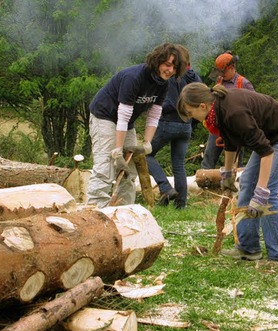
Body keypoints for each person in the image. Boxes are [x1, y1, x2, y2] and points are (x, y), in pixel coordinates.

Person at [177, 83, 278, 267]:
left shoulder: (233, 112)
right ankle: (248, 248)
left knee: (268, 190)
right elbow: (231, 142)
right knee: (246, 181)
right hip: (270, 137)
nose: (193, 118)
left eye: (191, 113)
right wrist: (228, 173)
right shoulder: (218, 111)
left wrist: (261, 193)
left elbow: (266, 152)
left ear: (203, 106)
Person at [86, 43, 188, 208]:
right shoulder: (133, 77)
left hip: (127, 122)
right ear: (157, 61)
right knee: (105, 164)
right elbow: (123, 114)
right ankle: (95, 210)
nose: (170, 70)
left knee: (130, 169)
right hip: (104, 116)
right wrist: (117, 151)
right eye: (167, 64)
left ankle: (124, 210)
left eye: (174, 67)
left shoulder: (163, 84)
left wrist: (147, 144)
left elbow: (154, 115)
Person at [146, 45, 202, 208]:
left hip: (167, 123)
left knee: (146, 155)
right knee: (179, 165)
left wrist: (154, 108)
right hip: (186, 125)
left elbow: (168, 101)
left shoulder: (171, 75)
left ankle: (165, 188)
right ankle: (181, 204)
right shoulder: (194, 76)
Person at [200, 51, 255, 170]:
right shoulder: (219, 81)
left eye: (223, 72)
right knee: (209, 158)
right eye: (219, 72)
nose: (221, 75)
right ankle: (203, 181)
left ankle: (234, 185)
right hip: (218, 126)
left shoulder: (244, 83)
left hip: (236, 129)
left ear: (232, 68)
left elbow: (254, 106)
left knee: (235, 163)